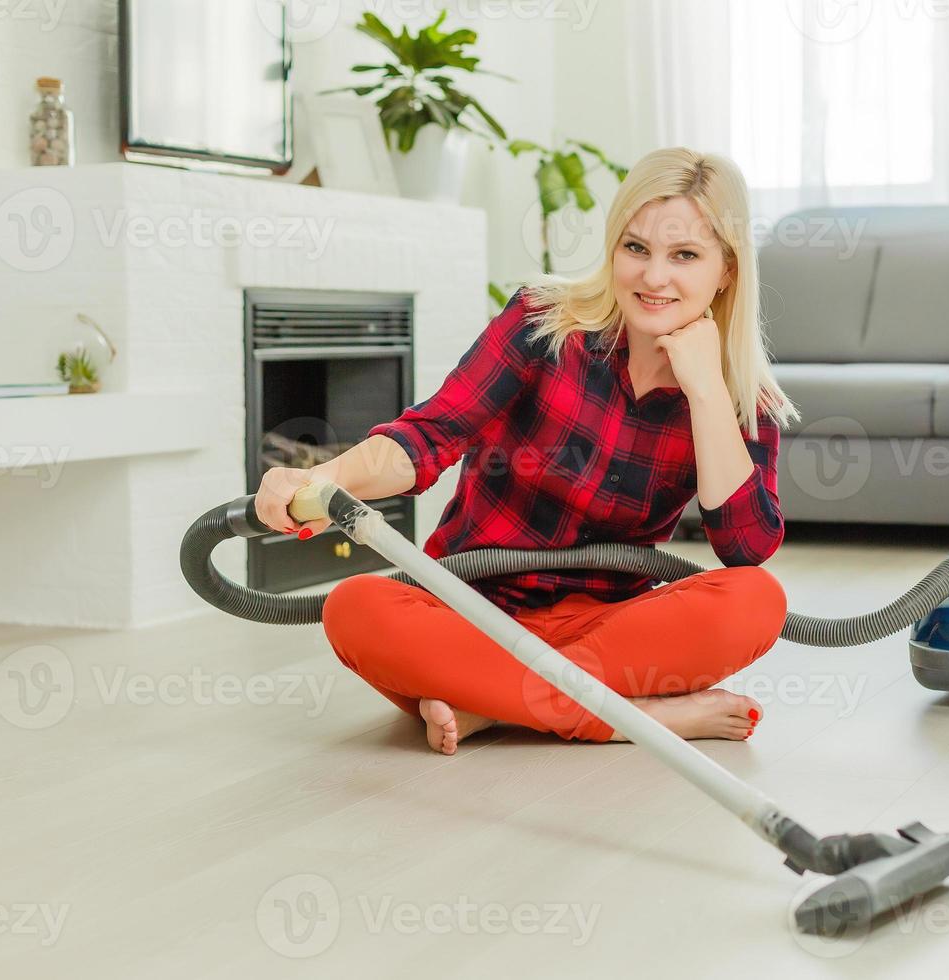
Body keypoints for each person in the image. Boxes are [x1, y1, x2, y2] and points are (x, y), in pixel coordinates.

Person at [255, 147, 801, 755]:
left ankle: (492, 708)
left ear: (726, 270)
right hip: (471, 609)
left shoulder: (742, 398)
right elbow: (430, 436)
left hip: (603, 626)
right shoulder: (542, 323)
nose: (653, 278)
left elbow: (745, 548)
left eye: (685, 256)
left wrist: (704, 388)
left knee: (755, 603)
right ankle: (629, 717)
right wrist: (318, 479)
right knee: (355, 608)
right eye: (636, 248)